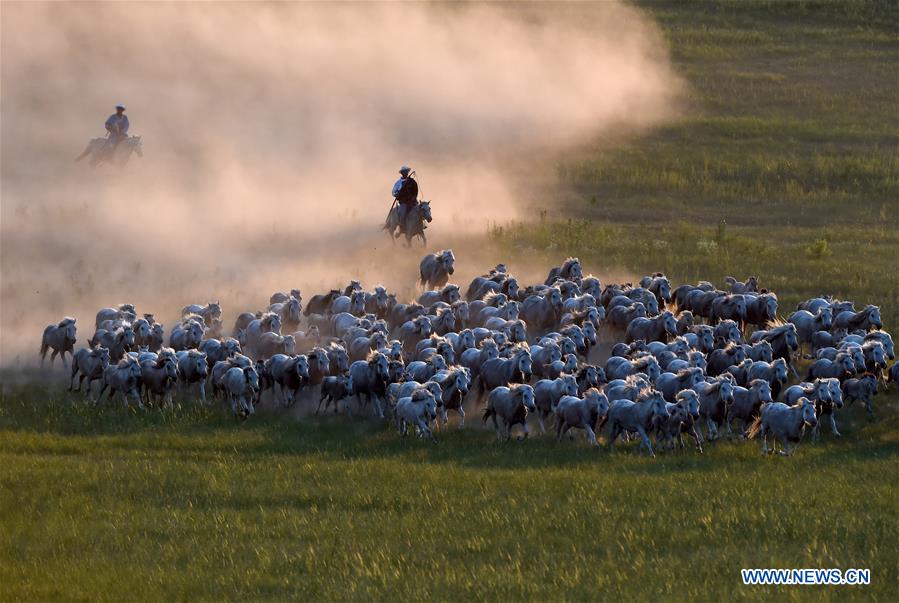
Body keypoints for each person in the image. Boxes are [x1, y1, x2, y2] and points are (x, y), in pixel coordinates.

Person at [391, 165, 419, 235]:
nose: (405, 173)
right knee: (402, 214)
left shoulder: (412, 182)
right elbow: (393, 192)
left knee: (420, 211)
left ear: (408, 172)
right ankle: (402, 228)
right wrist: (397, 194)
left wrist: (414, 198)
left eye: (406, 171)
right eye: (404, 172)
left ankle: (421, 225)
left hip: (412, 202)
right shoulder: (398, 183)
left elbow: (416, 191)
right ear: (401, 173)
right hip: (403, 202)